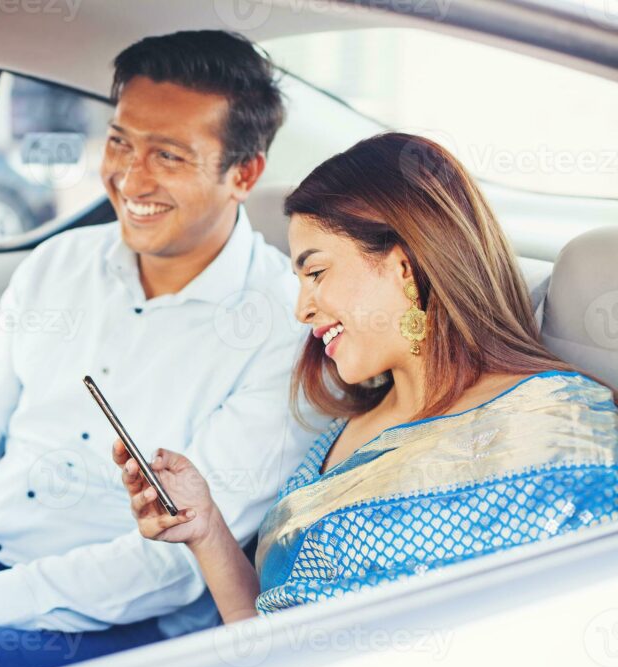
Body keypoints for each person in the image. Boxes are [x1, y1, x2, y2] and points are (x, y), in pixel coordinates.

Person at [114, 132, 618, 622]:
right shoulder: (345, 430)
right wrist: (204, 528)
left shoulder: (557, 430)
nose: (302, 310)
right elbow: (265, 635)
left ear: (403, 265)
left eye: (316, 273)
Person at [0, 31, 319, 667]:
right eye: (120, 140)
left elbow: (170, 564)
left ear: (245, 173)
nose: (128, 176)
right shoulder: (59, 262)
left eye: (169, 156)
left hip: (112, 620)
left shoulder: (283, 329)